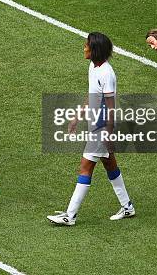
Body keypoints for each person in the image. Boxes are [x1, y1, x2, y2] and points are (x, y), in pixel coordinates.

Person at [47, 32, 134, 226]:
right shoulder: (93, 67)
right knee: (110, 165)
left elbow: (111, 106)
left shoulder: (106, 73)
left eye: (86, 45)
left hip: (102, 127)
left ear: (95, 49)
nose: (84, 48)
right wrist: (77, 118)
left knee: (85, 167)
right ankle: (127, 206)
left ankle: (70, 215)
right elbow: (92, 96)